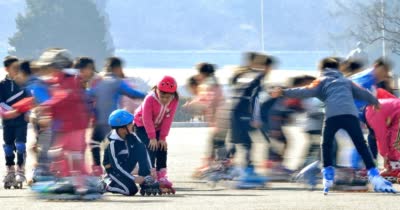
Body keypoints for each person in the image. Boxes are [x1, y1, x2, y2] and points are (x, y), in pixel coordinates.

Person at [271, 57, 396, 194]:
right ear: (337, 69)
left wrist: (283, 92)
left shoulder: (321, 81)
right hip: (351, 116)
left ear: (322, 69)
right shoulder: (346, 81)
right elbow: (362, 92)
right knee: (360, 145)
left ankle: (330, 175)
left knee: (327, 145)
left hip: (333, 117)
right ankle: (373, 175)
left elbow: (304, 91)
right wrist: (374, 102)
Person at [88, 57, 145, 176]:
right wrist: (149, 96)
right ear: (118, 68)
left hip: (98, 121)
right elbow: (132, 94)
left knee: (94, 142)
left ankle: (97, 168)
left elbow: (90, 94)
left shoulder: (100, 81)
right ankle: (118, 169)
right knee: (115, 145)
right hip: (112, 122)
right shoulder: (117, 82)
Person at [228, 52, 274, 188]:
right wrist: (256, 117)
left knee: (240, 142)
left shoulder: (246, 75)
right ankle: (247, 175)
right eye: (270, 67)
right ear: (265, 67)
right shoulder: (258, 77)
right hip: (242, 113)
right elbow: (255, 97)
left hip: (234, 111)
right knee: (247, 143)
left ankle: (236, 169)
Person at [134, 75, 179, 194]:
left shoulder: (174, 100)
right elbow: (146, 118)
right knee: (151, 147)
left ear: (173, 94)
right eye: (162, 95)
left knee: (162, 147)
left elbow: (168, 119)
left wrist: (162, 138)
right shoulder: (150, 98)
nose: (164, 99)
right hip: (141, 125)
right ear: (157, 90)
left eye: (167, 97)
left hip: (157, 126)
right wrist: (152, 137)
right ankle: (150, 174)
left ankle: (162, 175)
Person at [102, 109, 159, 196]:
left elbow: (143, 150)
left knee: (140, 147)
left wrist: (150, 170)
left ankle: (145, 178)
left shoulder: (132, 135)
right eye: (130, 124)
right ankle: (107, 184)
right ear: (121, 129)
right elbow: (116, 166)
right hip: (114, 171)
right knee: (131, 190)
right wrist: (133, 179)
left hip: (127, 166)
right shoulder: (112, 142)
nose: (133, 125)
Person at [0, 56, 29, 189]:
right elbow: (0, 103)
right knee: (8, 146)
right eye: (14, 68)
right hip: (7, 121)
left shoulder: (23, 83)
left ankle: (20, 169)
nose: (17, 70)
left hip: (21, 120)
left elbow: (30, 99)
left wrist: (27, 112)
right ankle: (10, 170)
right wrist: (10, 111)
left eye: (19, 68)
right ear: (7, 69)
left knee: (21, 144)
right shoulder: (2, 85)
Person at [364, 98, 400, 183]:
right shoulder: (370, 109)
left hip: (397, 113)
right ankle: (393, 168)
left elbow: (381, 137)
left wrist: (384, 155)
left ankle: (395, 169)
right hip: (396, 113)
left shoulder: (371, 114)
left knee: (394, 143)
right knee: (392, 142)